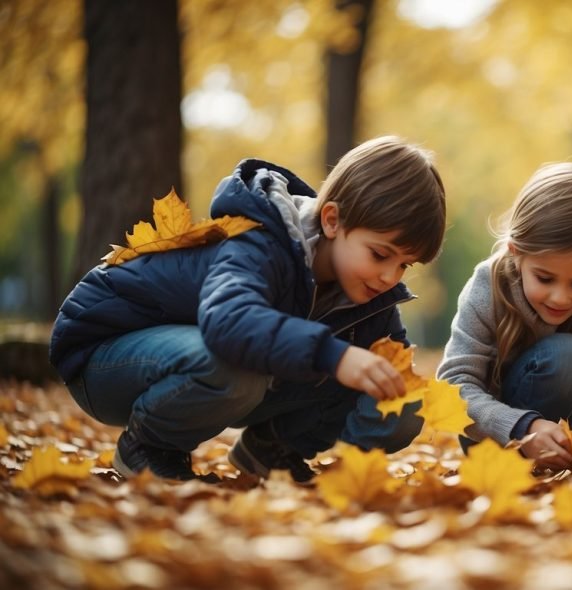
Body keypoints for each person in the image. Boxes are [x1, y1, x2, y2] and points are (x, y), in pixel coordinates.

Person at [49, 136, 447, 482]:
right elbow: (229, 322)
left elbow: (394, 382)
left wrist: (360, 453)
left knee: (397, 395)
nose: (389, 277)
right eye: (380, 254)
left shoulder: (369, 295)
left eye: (404, 265)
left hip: (204, 367)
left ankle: (272, 447)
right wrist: (334, 354)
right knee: (242, 365)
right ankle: (150, 447)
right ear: (332, 221)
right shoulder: (261, 241)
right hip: (107, 358)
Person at [436, 162, 572, 472]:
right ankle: (521, 456)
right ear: (516, 251)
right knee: (569, 356)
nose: (560, 297)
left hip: (560, 436)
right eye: (545, 279)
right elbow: (455, 384)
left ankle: (548, 457)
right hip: (488, 438)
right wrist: (524, 427)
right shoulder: (488, 286)